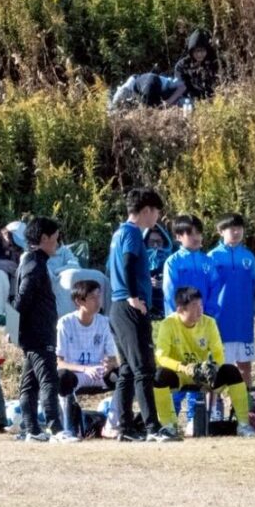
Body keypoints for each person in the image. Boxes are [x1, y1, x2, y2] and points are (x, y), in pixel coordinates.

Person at [108, 187, 174, 442]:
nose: (157, 217)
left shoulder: (119, 232)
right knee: (143, 368)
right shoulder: (133, 232)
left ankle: (125, 427)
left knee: (127, 369)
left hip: (118, 308)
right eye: (156, 212)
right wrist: (133, 296)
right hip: (130, 307)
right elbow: (127, 262)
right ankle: (152, 427)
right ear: (146, 210)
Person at [153, 286, 255, 437]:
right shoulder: (168, 324)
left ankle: (243, 424)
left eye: (201, 304)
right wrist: (183, 367)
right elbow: (161, 357)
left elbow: (218, 353)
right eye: (194, 305)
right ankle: (168, 426)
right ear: (180, 309)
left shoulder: (209, 323)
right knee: (159, 376)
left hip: (202, 374)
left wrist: (213, 368)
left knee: (231, 371)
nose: (199, 309)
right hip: (179, 374)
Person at [14, 217, 65, 443]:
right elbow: (22, 298)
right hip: (38, 334)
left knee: (30, 383)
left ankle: (31, 429)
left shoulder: (33, 261)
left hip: (32, 334)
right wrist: (12, 326)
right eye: (55, 238)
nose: (58, 243)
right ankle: (56, 429)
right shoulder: (34, 264)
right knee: (48, 380)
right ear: (44, 238)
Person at [55, 280, 120, 435]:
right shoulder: (65, 323)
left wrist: (110, 363)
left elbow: (113, 357)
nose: (98, 301)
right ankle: (67, 428)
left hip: (99, 373)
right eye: (92, 297)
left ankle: (112, 425)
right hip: (76, 373)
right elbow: (59, 362)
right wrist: (84, 369)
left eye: (99, 296)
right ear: (79, 301)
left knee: (125, 376)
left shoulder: (104, 322)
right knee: (62, 377)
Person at [209, 213, 255, 385]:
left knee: (245, 366)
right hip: (220, 320)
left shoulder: (249, 257)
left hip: (243, 320)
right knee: (219, 366)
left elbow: (253, 286)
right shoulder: (212, 257)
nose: (237, 232)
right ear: (221, 231)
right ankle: (218, 401)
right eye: (232, 228)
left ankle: (245, 399)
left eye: (239, 228)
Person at [162, 214, 217, 317]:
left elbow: (215, 288)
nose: (196, 237)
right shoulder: (173, 262)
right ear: (178, 237)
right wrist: (179, 315)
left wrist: (209, 312)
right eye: (190, 234)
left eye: (198, 233)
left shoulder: (208, 261)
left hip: (204, 317)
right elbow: (170, 292)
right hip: (181, 318)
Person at [173, 29, 219, 103]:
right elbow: (180, 88)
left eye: (202, 50)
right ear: (191, 51)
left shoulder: (214, 62)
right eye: (196, 51)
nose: (199, 54)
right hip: (191, 101)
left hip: (214, 99)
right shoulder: (182, 66)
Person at [109, 72, 186, 111]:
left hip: (150, 87)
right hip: (137, 84)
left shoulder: (167, 86)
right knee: (116, 102)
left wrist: (169, 101)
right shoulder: (128, 88)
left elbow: (183, 86)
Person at [144, 224, 172, 319]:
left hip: (166, 306)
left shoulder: (171, 260)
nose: (155, 246)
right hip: (145, 306)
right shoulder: (139, 260)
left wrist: (165, 282)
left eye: (158, 242)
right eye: (152, 242)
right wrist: (146, 281)